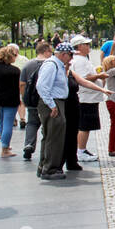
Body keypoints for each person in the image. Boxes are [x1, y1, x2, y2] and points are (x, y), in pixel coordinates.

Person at [35, 42, 72, 180]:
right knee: (54, 136)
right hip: (53, 102)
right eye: (70, 55)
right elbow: (42, 86)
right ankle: (50, 168)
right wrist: (52, 105)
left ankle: (44, 165)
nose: (71, 58)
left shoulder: (57, 65)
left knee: (50, 134)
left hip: (54, 102)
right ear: (64, 54)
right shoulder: (52, 65)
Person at [70, 36, 107, 161]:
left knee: (85, 126)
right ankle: (80, 151)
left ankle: (82, 149)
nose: (88, 46)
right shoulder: (80, 60)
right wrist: (99, 76)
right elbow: (82, 78)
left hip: (89, 97)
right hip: (86, 97)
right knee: (84, 126)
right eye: (86, 44)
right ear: (79, 46)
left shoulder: (81, 59)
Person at [18, 41, 52, 161]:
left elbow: (22, 84)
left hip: (32, 99)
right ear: (46, 51)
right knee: (47, 124)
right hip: (47, 99)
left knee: (32, 123)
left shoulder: (28, 65)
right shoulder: (50, 64)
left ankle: (29, 144)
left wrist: (24, 97)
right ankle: (47, 148)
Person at [0, 44, 22, 158]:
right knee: (8, 123)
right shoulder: (15, 71)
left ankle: (4, 142)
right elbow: (18, 86)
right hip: (11, 99)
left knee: (0, 122)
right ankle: (5, 148)